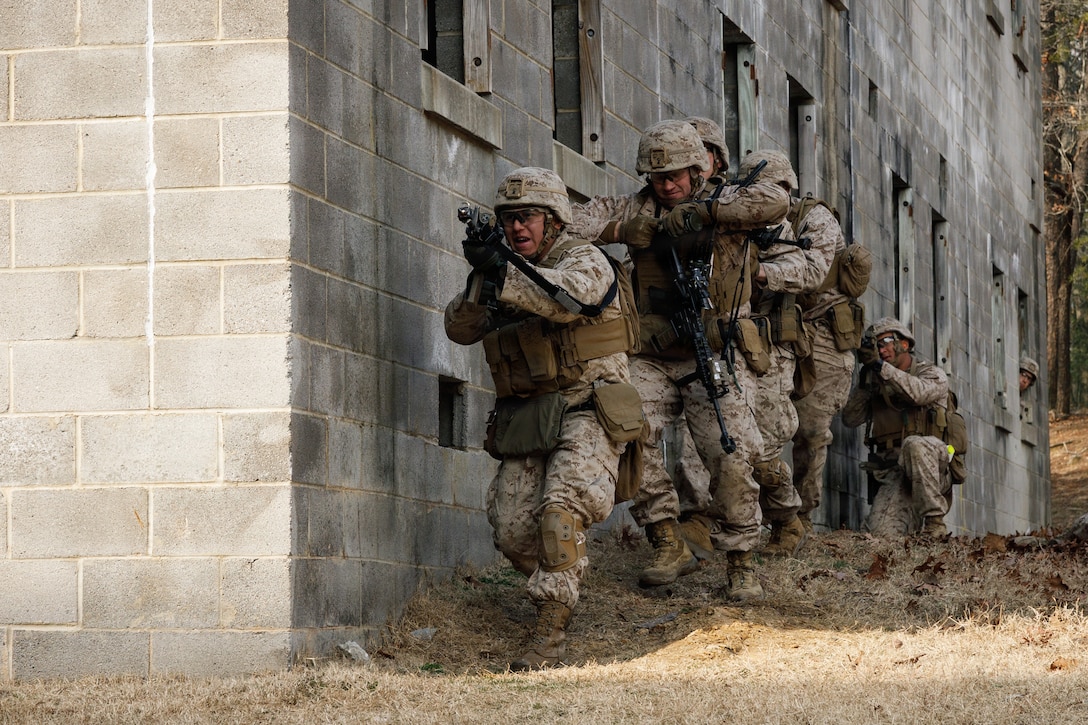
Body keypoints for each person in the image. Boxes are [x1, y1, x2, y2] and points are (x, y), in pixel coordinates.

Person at [572, 120, 797, 600]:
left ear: (698, 170)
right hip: (652, 353)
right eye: (657, 178)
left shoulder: (729, 199)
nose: (666, 185)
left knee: (731, 453)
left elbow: (776, 202)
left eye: (675, 176)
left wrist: (707, 214)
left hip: (711, 352)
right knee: (628, 430)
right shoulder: (635, 204)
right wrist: (621, 230)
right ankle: (666, 539)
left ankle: (741, 560)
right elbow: (570, 224)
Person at [444, 167, 639, 670]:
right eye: (508, 219)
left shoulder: (584, 259)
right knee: (511, 530)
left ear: (553, 221)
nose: (516, 228)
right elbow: (459, 328)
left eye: (527, 217)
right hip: (532, 414)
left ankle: (549, 630)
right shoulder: (506, 266)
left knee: (561, 510)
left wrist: (506, 275)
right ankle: (562, 576)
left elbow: (570, 299)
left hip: (589, 405)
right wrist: (484, 276)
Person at [732, 151, 836, 558]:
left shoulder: (811, 219)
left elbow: (813, 271)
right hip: (730, 337)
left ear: (787, 190)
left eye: (771, 192)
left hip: (776, 340)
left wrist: (760, 270)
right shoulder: (734, 214)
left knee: (770, 439)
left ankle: (786, 517)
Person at [841, 317, 953, 538]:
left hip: (935, 464)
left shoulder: (931, 373)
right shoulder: (876, 379)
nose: (881, 351)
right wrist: (866, 381)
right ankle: (912, 522)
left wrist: (882, 369)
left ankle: (935, 526)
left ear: (904, 344)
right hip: (894, 470)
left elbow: (918, 393)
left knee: (914, 445)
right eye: (876, 347)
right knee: (881, 535)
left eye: (885, 342)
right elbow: (850, 418)